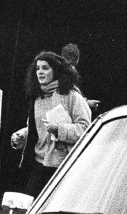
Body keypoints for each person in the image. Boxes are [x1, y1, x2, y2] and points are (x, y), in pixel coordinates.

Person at [10, 50, 94, 195]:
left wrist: (58, 129)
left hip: (64, 166)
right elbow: (35, 128)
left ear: (55, 71)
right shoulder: (36, 99)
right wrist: (22, 135)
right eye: (37, 68)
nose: (40, 72)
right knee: (31, 210)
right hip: (40, 164)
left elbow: (86, 129)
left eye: (45, 68)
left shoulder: (72, 96)